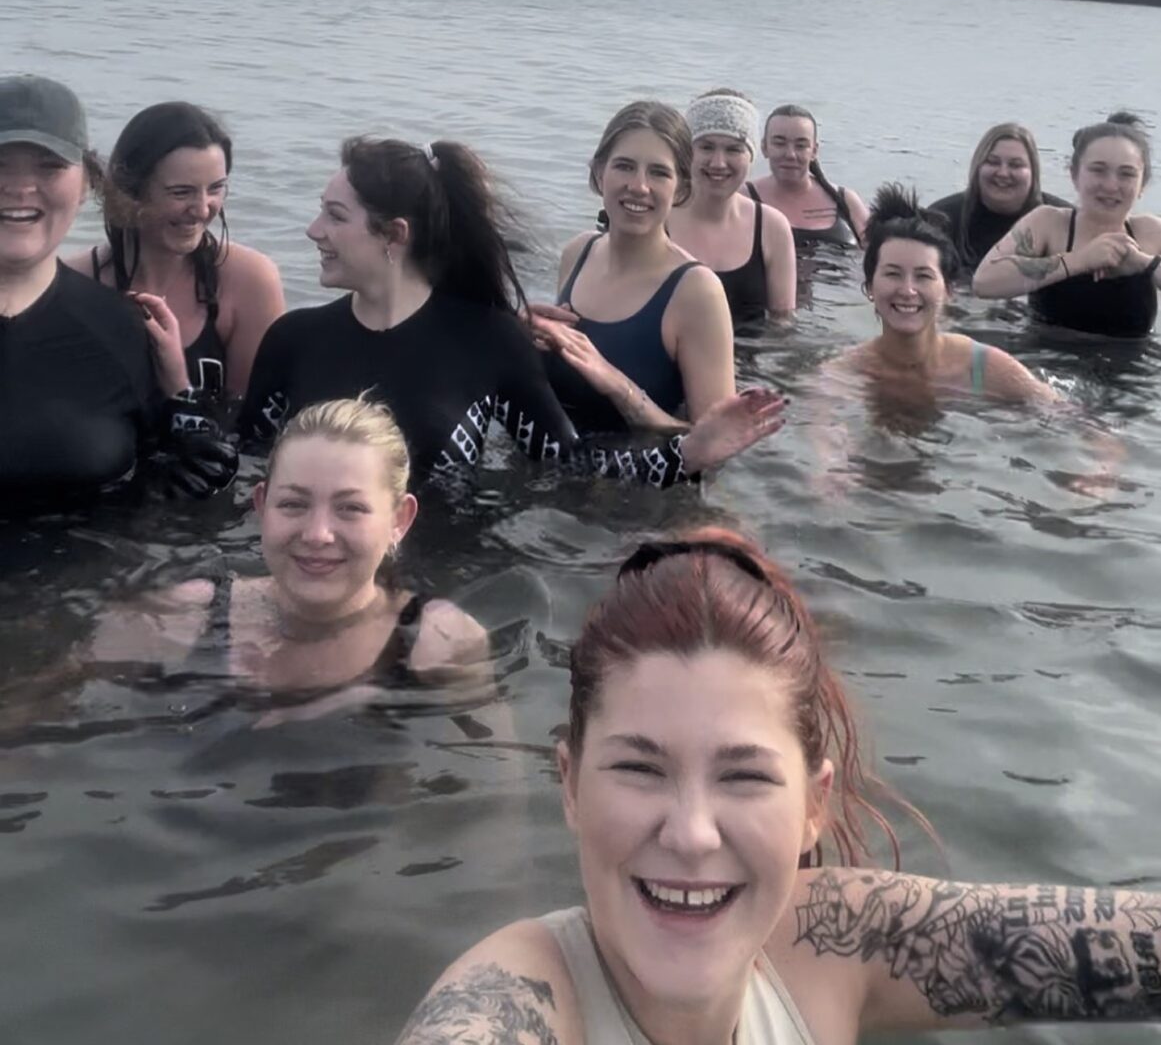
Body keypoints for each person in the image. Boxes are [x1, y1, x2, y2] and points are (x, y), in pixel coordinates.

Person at [397, 528, 1161, 1044]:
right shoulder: (515, 1000)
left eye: (745, 776)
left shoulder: (837, 939)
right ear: (568, 785)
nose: (691, 832)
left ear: (813, 806)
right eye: (638, 768)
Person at [238, 136, 786, 491]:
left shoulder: (490, 342)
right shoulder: (293, 339)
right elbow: (245, 467)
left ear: (394, 235)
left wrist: (687, 452)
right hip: (311, 566)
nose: (313, 231)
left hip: (445, 581)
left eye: (335, 216)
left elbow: (567, 466)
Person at [90, 396, 486, 700]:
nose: (317, 534)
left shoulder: (438, 640)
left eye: (351, 508)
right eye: (293, 504)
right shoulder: (183, 618)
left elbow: (500, 794)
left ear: (398, 520)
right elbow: (52, 705)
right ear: (261, 506)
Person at [0, 74, 235, 502]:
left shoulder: (123, 329)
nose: (19, 187)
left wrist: (185, 409)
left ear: (90, 181)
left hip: (89, 567)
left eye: (49, 166)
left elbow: (173, 490)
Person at [543, 102, 736, 436]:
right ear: (599, 172)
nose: (639, 186)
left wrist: (620, 387)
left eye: (659, 173)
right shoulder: (577, 253)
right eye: (624, 166)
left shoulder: (696, 290)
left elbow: (718, 442)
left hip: (638, 485)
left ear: (682, 188)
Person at [72, 100, 285, 399]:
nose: (201, 209)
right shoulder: (74, 282)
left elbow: (254, 428)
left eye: (215, 189)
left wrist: (179, 388)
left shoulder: (251, 281)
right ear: (128, 191)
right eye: (181, 192)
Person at [827, 185, 1055, 411]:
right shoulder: (844, 373)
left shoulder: (984, 369)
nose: (908, 290)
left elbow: (1067, 417)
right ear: (869, 286)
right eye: (893, 274)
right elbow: (820, 426)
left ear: (949, 290)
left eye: (923, 276)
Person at [973, 112, 1161, 339]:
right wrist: (1080, 260)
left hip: (1135, 365)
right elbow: (984, 283)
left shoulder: (1151, 232)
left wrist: (1143, 263)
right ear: (1074, 175)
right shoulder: (1048, 223)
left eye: (1126, 174)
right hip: (1049, 362)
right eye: (1098, 170)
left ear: (1143, 184)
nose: (1111, 186)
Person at [667, 90, 796, 324]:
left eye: (734, 149)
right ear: (686, 152)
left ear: (751, 155)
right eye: (706, 147)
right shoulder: (658, 217)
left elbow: (782, 325)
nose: (718, 163)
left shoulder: (772, 226)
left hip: (748, 358)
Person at [928, 122, 1067, 273]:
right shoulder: (941, 218)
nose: (1003, 173)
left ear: (1033, 172)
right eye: (992, 162)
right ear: (977, 167)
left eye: (1015, 165)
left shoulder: (1064, 221)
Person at [753, 105, 869, 249]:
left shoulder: (846, 201)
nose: (790, 154)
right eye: (780, 144)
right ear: (764, 148)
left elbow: (879, 258)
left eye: (801, 146)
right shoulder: (743, 198)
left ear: (814, 151)